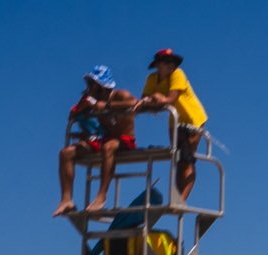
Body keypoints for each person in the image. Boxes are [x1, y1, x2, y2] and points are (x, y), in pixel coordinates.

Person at [55, 66, 138, 216]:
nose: (91, 87)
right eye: (90, 84)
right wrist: (82, 106)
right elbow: (72, 115)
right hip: (103, 139)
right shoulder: (92, 99)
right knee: (66, 153)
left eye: (94, 84)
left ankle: (101, 196)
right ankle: (66, 200)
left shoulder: (120, 95)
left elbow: (135, 103)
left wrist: (106, 106)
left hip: (124, 140)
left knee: (108, 147)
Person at [137, 48, 212, 206]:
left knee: (187, 159)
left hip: (193, 118)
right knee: (178, 159)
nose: (171, 64)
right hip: (175, 120)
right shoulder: (152, 78)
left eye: (173, 62)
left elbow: (170, 99)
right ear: (158, 65)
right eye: (166, 61)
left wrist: (156, 99)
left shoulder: (178, 74)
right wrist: (152, 99)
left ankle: (181, 200)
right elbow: (143, 101)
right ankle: (176, 198)